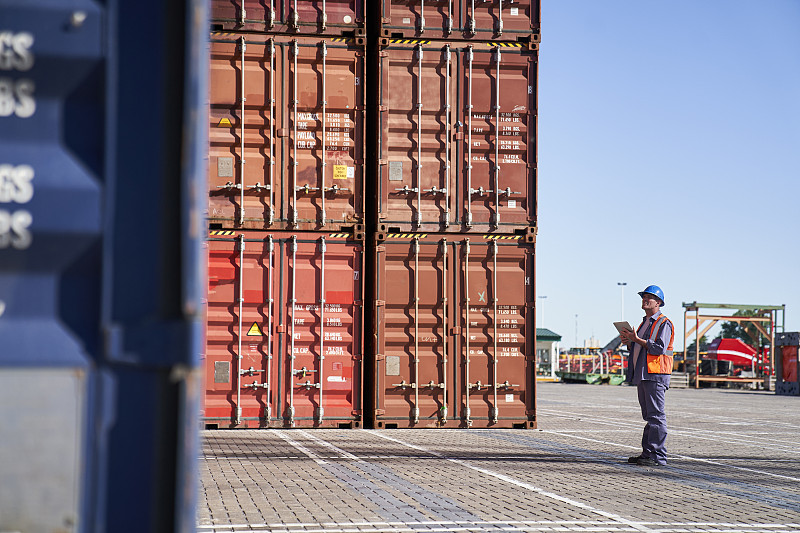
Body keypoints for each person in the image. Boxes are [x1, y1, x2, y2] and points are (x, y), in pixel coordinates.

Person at [619, 285, 675, 467]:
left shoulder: (663, 323)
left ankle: (658, 457)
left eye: (649, 297)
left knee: (656, 415)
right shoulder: (645, 323)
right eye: (644, 296)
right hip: (644, 374)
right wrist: (629, 342)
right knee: (649, 416)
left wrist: (637, 340)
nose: (645, 299)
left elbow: (658, 347)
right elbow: (640, 347)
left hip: (655, 373)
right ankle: (648, 453)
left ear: (659, 303)